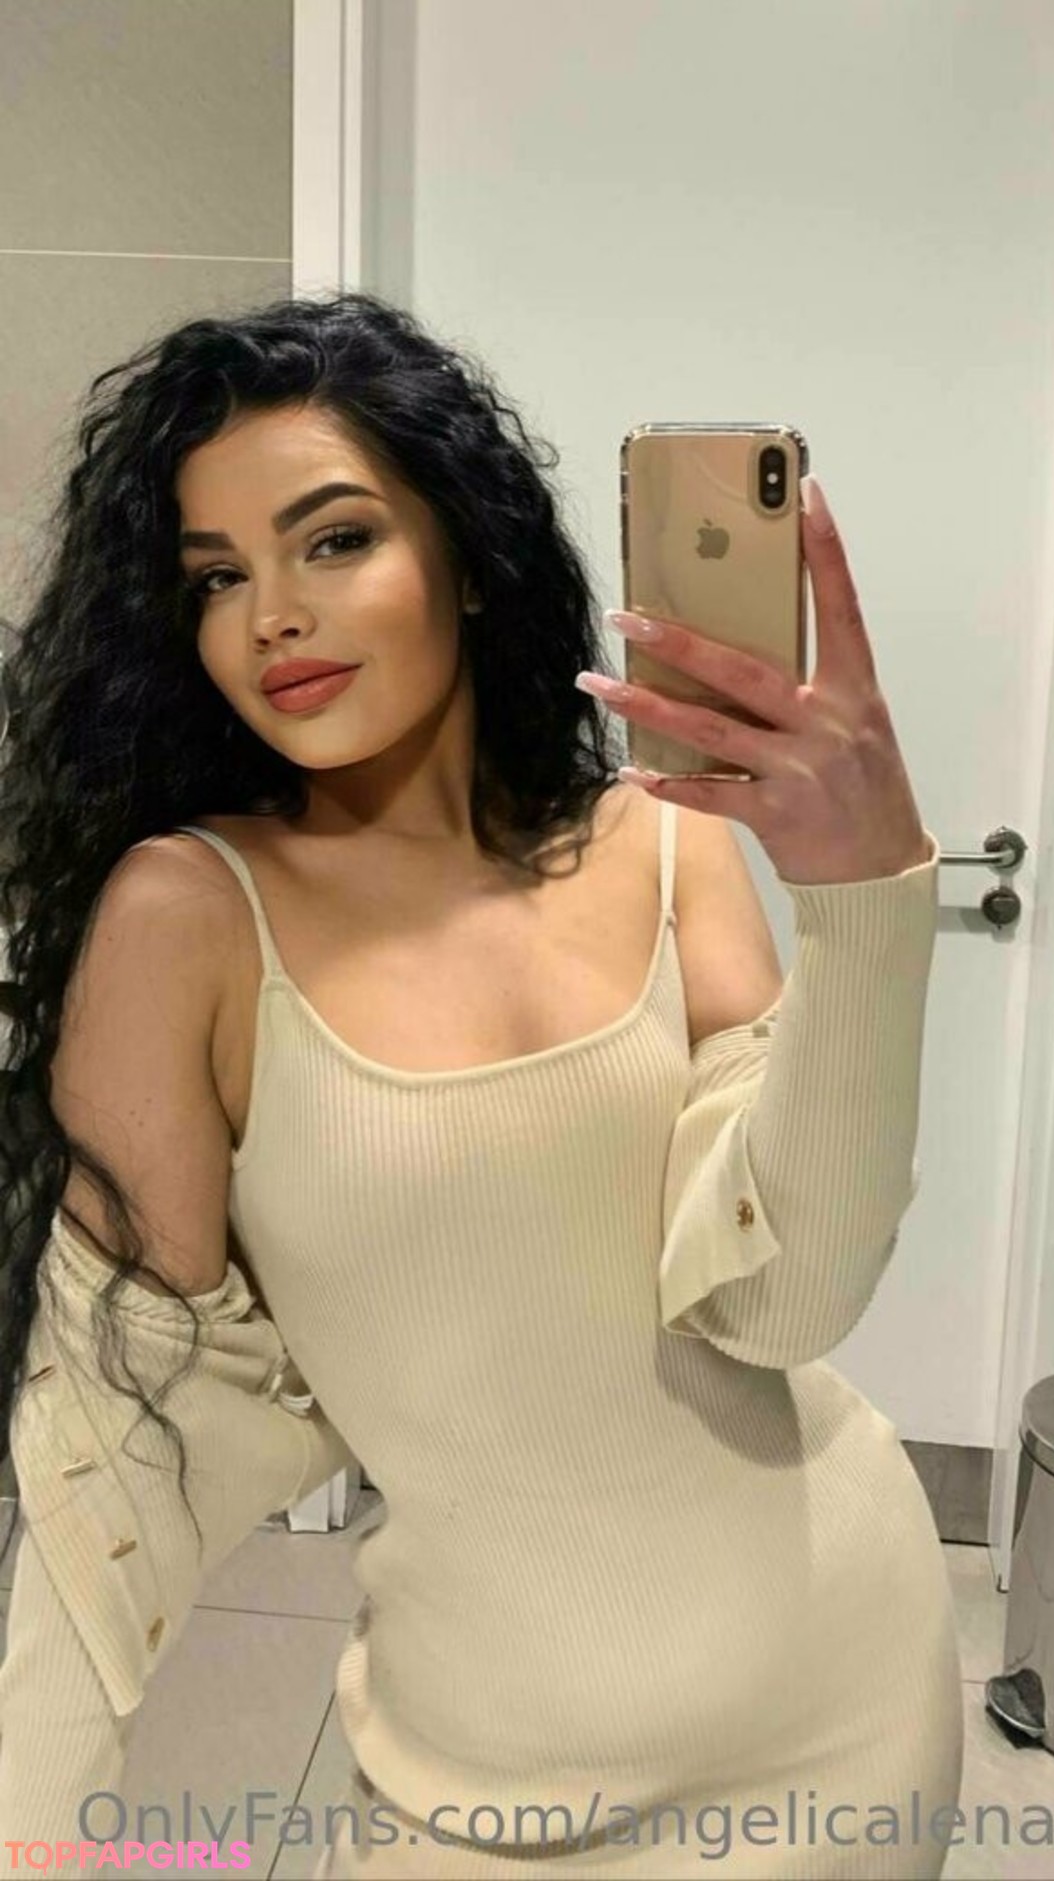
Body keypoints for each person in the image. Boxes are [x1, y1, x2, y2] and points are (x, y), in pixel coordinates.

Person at [0, 291, 961, 1879]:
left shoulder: (665, 843)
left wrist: (867, 900)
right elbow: (109, 1457)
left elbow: (786, 1302)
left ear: (463, 550)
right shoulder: (190, 922)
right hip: (483, 1789)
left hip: (843, 1714)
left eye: (333, 540)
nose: (271, 617)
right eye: (217, 577)